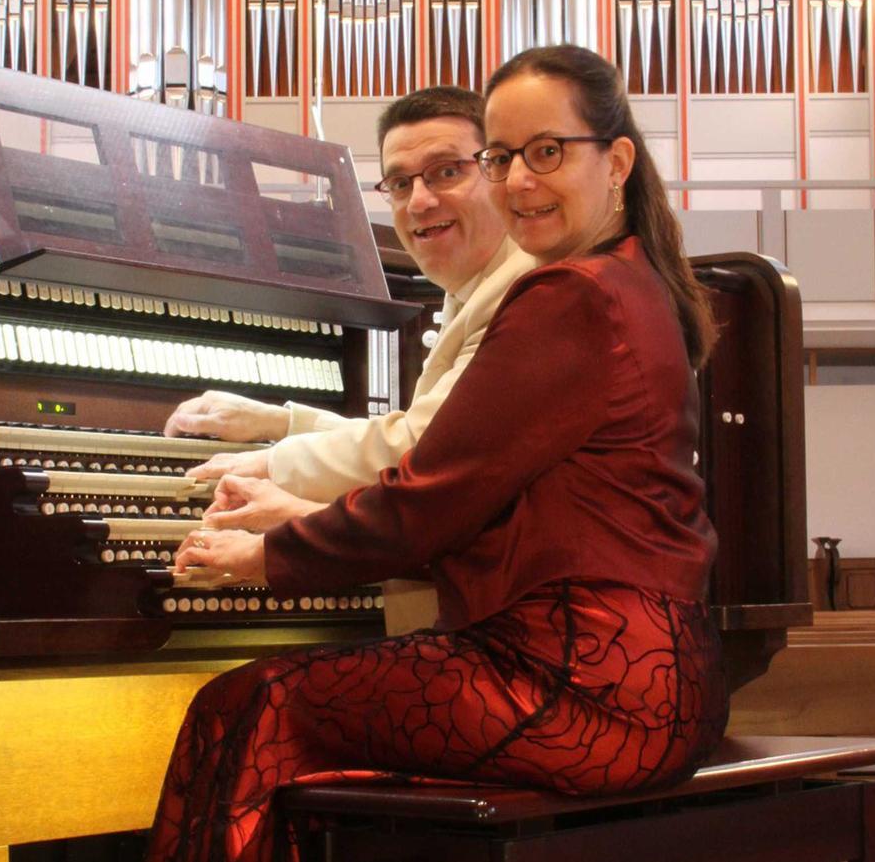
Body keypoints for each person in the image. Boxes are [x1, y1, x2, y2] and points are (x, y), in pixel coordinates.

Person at [146, 44, 727, 862]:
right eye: (503, 157)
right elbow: (491, 502)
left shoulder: (573, 295)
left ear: (617, 161)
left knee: (247, 708)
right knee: (308, 718)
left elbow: (428, 496)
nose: (519, 180)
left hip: (582, 689)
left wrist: (265, 555)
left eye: (547, 152)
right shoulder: (631, 280)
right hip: (655, 680)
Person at [166, 86, 538, 632]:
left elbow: (421, 449)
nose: (419, 202)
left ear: (496, 170)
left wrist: (274, 465)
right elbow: (422, 436)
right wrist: (278, 422)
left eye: (445, 172)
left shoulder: (524, 287)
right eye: (400, 183)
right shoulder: (479, 284)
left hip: (515, 622)